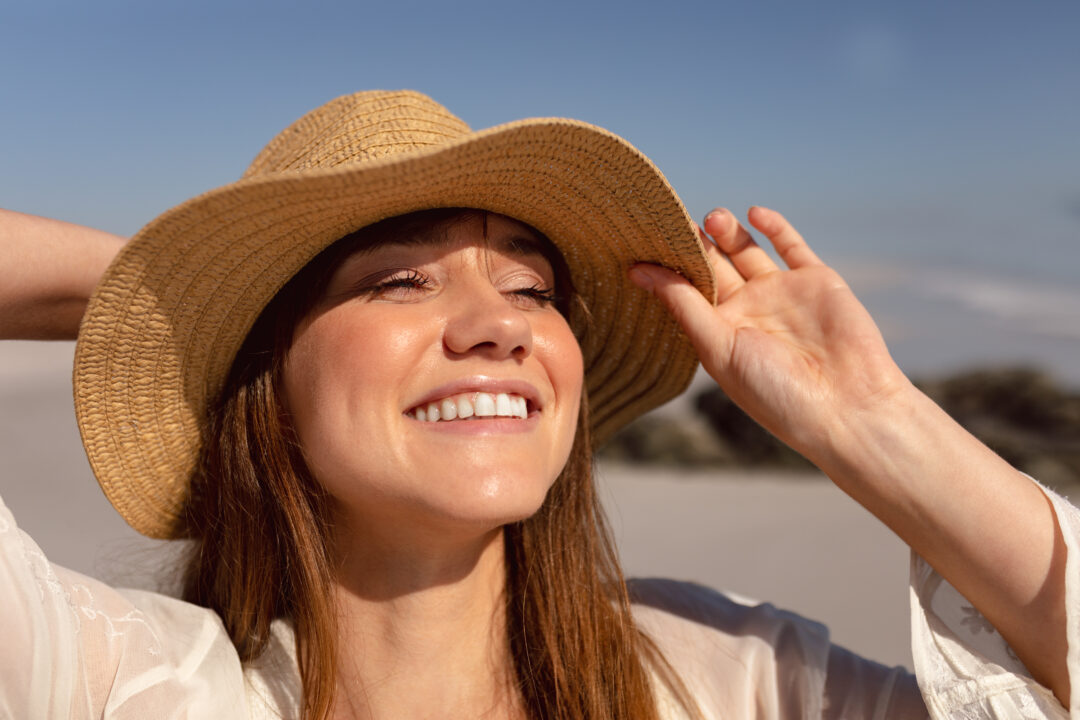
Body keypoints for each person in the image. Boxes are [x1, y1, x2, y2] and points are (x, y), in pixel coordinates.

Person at [0, 90, 1075, 719]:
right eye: (399, 280)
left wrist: (875, 422)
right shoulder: (113, 681)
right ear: (268, 378)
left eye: (532, 289)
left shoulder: (728, 679)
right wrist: (173, 301)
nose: (501, 324)